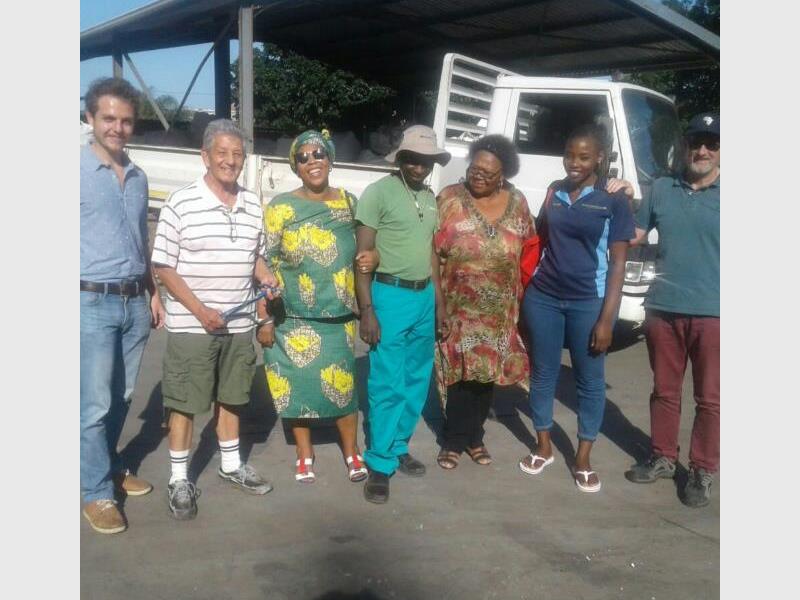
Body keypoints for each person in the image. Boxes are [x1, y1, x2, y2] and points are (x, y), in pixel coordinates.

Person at [152, 119, 278, 520]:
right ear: (205, 156)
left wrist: (265, 276)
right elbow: (164, 267)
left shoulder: (252, 204)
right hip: (193, 326)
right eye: (222, 153)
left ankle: (230, 465)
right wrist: (200, 311)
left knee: (232, 396)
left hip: (238, 324)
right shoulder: (181, 202)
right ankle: (178, 479)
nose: (230, 161)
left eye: (237, 154)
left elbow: (256, 256)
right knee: (184, 403)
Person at [519, 124, 634, 493]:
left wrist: (607, 319)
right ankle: (543, 446)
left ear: (599, 158)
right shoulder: (554, 191)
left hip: (588, 302)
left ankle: (583, 457)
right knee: (543, 373)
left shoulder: (613, 199)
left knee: (589, 380)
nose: (574, 162)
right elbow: (540, 237)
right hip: (544, 297)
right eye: (569, 155)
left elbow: (618, 264)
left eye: (584, 157)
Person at [258, 130, 378, 483]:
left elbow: (368, 247)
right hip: (291, 316)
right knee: (297, 387)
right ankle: (304, 452)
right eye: (303, 157)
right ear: (295, 166)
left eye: (319, 154)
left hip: (338, 316)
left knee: (344, 388)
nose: (312, 161)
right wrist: (264, 318)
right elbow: (264, 261)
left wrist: (374, 256)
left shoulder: (349, 203)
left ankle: (352, 451)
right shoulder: (280, 207)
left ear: (330, 159)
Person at [81, 77, 165, 535]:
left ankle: (108, 466)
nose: (118, 128)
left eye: (126, 121)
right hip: (89, 299)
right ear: (89, 118)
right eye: (109, 118)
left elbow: (140, 242)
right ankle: (96, 492)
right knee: (93, 404)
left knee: (123, 396)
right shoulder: (73, 171)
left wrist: (154, 292)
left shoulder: (138, 176)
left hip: (135, 302)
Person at [624, 113, 720, 508]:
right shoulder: (661, 189)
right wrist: (615, 197)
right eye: (696, 142)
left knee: (711, 399)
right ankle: (663, 457)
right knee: (664, 391)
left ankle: (702, 469)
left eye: (711, 144)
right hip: (662, 308)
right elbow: (633, 234)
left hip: (715, 313)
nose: (702, 150)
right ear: (685, 146)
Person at [355, 125, 450, 504]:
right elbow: (362, 258)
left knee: (416, 379)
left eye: (426, 161)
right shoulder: (378, 193)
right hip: (389, 295)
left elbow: (431, 254)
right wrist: (367, 310)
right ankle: (379, 463)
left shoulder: (429, 198)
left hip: (423, 296)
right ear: (400, 159)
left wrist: (439, 304)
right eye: (412, 159)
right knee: (386, 382)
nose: (419, 167)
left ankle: (398, 446)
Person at [433, 135, 534, 469]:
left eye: (487, 173)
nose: (478, 176)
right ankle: (453, 439)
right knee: (459, 374)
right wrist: (437, 301)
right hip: (458, 305)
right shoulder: (449, 198)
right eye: (474, 169)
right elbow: (431, 249)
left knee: (486, 374)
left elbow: (530, 247)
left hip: (500, 309)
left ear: (502, 175)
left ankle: (475, 437)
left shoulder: (518, 202)